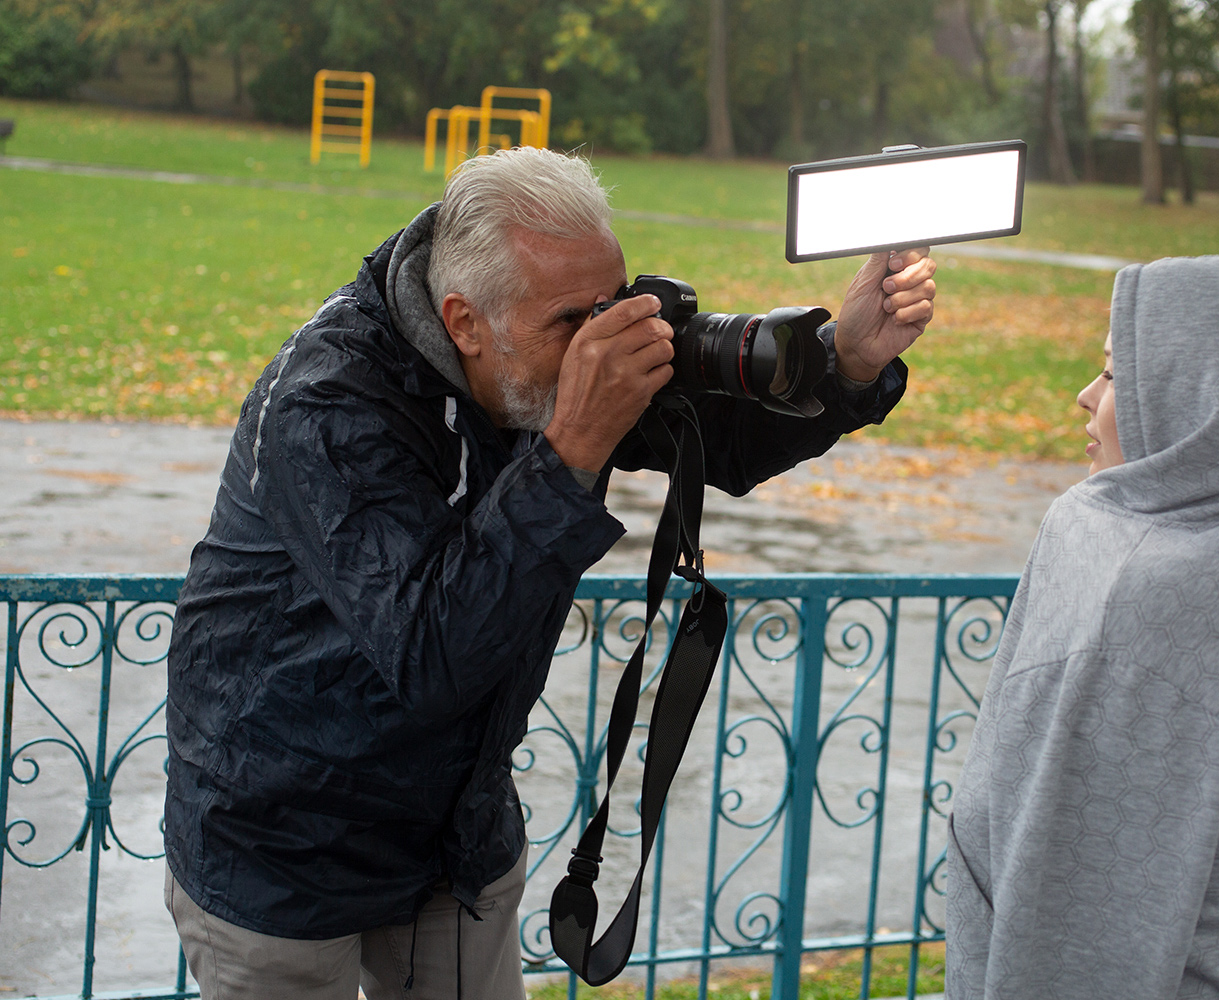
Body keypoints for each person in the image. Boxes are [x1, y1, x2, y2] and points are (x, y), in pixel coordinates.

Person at [163, 146, 937, 1000]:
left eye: (617, 306)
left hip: (456, 835)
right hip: (281, 842)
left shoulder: (541, 334)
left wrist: (848, 362)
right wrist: (569, 450)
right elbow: (431, 655)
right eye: (575, 323)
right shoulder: (330, 403)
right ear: (464, 321)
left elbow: (725, 444)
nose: (600, 347)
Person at [944, 255, 1219, 999]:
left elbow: (1081, 923)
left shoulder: (1160, 593)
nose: (1084, 396)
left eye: (1116, 375)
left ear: (1198, 395)